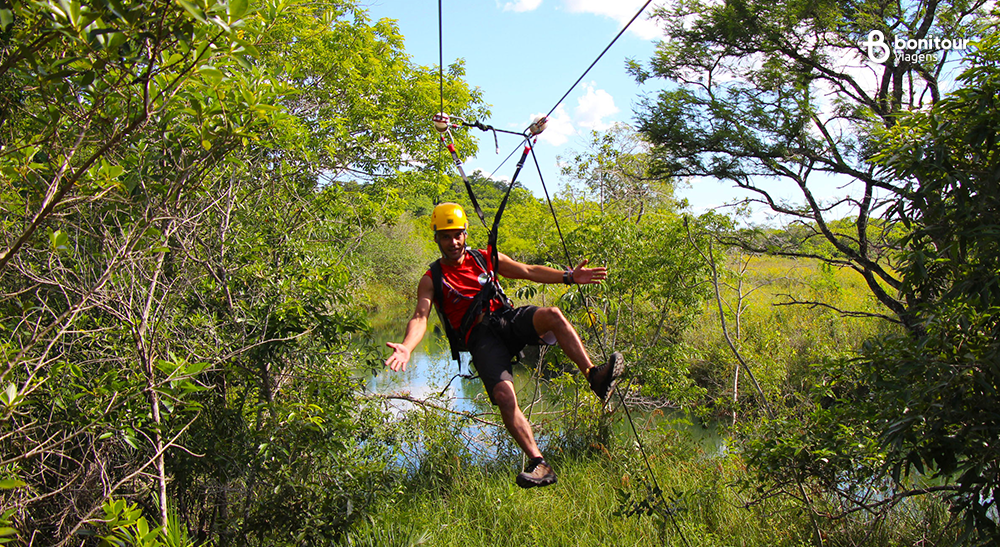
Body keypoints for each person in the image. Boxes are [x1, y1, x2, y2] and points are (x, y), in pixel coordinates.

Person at [384, 202, 625, 488]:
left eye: (458, 234)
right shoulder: (432, 279)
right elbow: (420, 316)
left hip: (505, 318)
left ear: (465, 234)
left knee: (553, 315)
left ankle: (594, 376)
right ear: (435, 237)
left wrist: (569, 277)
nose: (454, 242)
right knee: (504, 395)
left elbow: (527, 270)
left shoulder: (484, 258)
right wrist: (408, 347)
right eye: (446, 236)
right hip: (480, 338)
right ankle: (539, 463)